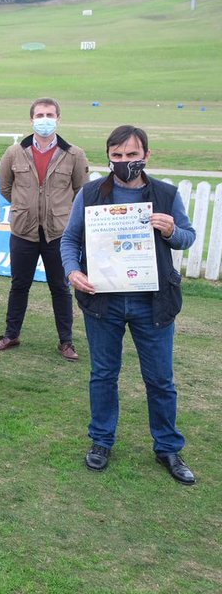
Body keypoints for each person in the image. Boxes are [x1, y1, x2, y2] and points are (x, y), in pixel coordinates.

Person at [61, 125, 198, 485]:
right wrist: (73, 272)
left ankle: (168, 447)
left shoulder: (166, 195)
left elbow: (186, 237)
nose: (125, 162)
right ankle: (102, 440)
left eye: (132, 155)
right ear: (109, 157)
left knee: (160, 379)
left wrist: (170, 231)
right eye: (118, 156)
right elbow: (70, 239)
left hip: (153, 304)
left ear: (146, 156)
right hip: (101, 301)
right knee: (104, 374)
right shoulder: (91, 193)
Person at [0, 98, 90, 360]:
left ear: (58, 119)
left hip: (59, 233)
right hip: (23, 230)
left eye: (49, 114)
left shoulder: (74, 154)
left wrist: (58, 212)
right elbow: (5, 187)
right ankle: (11, 334)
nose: (44, 119)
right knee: (19, 285)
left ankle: (66, 341)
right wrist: (26, 206)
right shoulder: (14, 152)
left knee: (60, 287)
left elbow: (81, 191)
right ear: (31, 119)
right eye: (39, 115)